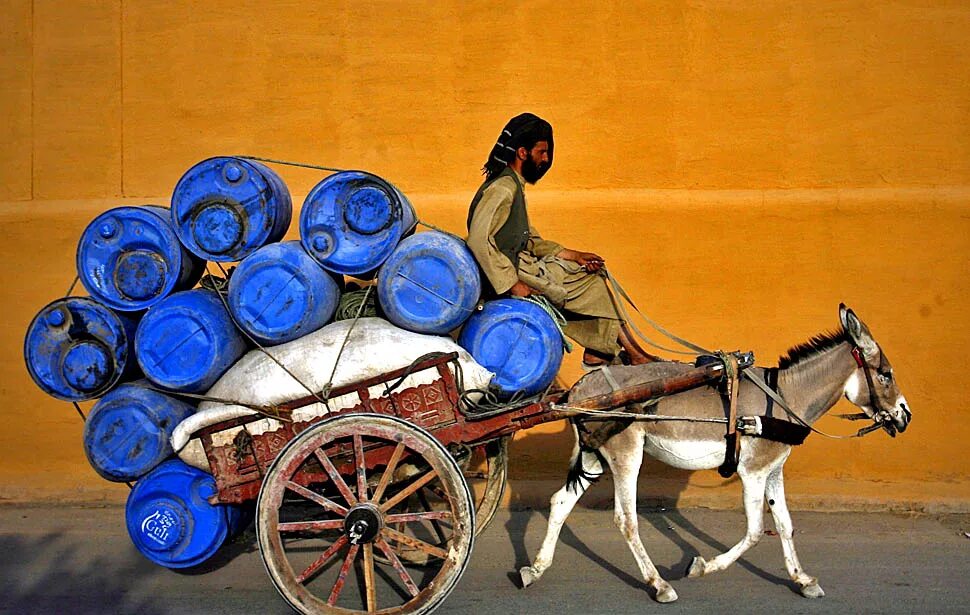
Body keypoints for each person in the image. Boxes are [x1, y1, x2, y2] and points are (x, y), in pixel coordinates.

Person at [465, 112, 656, 369]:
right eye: (541, 152)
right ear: (523, 153)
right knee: (589, 284)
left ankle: (608, 352)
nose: (545, 159)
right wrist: (512, 284)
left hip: (522, 266)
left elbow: (529, 240)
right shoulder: (503, 189)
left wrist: (574, 255)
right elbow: (479, 240)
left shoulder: (513, 186)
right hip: (510, 272)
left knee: (590, 276)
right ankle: (627, 354)